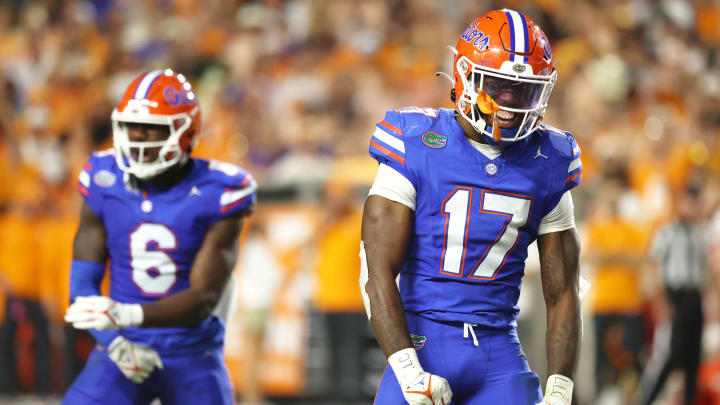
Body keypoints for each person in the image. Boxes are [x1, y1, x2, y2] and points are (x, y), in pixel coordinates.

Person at [361, 10, 582, 405]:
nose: (511, 104)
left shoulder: (550, 159)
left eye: (525, 91)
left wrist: (561, 389)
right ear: (465, 74)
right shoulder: (414, 139)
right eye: (499, 87)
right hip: (423, 343)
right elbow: (375, 271)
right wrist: (409, 372)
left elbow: (563, 291)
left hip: (500, 354)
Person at [62, 69, 257, 404]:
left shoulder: (220, 190)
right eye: (131, 126)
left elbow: (204, 298)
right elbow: (82, 285)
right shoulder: (103, 177)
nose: (139, 136)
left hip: (191, 350)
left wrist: (126, 313)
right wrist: (116, 344)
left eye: (153, 127)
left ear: (185, 131)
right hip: (123, 344)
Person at [638, 184, 709, 405]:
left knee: (693, 356)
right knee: (672, 354)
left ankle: (688, 399)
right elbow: (652, 266)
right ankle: (647, 399)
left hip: (694, 296)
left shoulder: (699, 233)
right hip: (675, 296)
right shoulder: (666, 232)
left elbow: (703, 268)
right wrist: (661, 301)